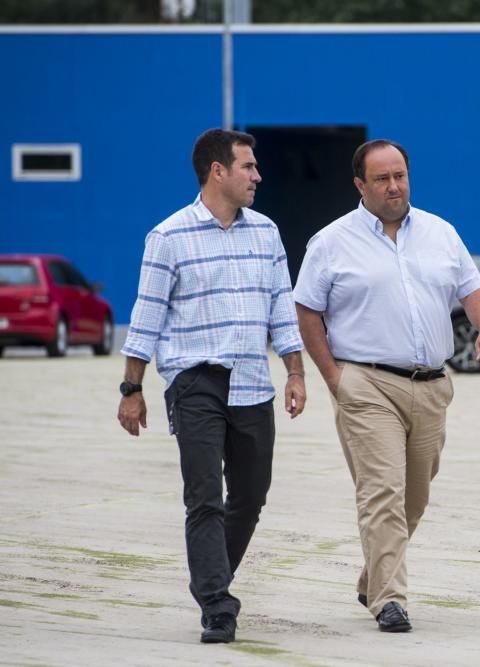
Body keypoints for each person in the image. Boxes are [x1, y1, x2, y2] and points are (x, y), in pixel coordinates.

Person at [293, 139, 480, 633]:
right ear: (360, 185)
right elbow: (306, 310)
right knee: (381, 493)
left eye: (400, 176)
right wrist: (333, 378)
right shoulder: (330, 241)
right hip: (365, 384)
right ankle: (390, 600)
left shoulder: (439, 232)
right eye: (382, 179)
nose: (394, 187)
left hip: (431, 386)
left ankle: (373, 576)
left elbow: (472, 289)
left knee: (414, 498)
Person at [116, 128, 306, 644]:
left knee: (251, 494)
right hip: (193, 379)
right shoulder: (169, 237)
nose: (257, 175)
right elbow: (147, 316)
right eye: (248, 166)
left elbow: (281, 308)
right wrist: (130, 389)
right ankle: (217, 604)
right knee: (204, 497)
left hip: (252, 379)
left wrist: (294, 371)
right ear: (218, 171)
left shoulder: (266, 232)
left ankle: (213, 576)